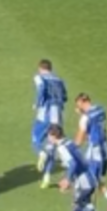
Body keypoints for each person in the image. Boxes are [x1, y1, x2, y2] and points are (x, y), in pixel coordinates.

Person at [48, 125, 107, 211]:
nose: (48, 138)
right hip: (89, 179)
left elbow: (73, 164)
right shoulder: (69, 142)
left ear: (54, 136)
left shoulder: (61, 147)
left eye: (49, 136)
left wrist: (67, 180)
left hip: (84, 183)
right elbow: (78, 161)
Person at [74, 94, 107, 211]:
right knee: (99, 180)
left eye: (78, 104)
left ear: (83, 102)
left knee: (91, 181)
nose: (77, 107)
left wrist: (71, 150)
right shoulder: (101, 109)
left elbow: (80, 138)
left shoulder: (85, 118)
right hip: (106, 148)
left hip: (95, 152)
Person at [34, 59, 68, 188]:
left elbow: (41, 88)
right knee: (52, 145)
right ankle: (47, 176)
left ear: (40, 68)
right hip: (58, 115)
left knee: (36, 140)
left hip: (45, 114)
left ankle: (40, 153)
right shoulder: (59, 80)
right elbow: (65, 97)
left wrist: (37, 102)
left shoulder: (39, 77)